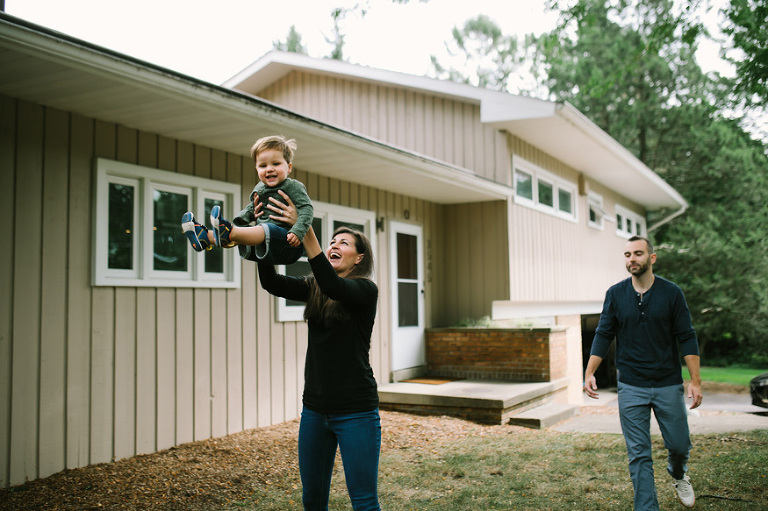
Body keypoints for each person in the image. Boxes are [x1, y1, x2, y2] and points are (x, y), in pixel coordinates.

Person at [256, 192, 381, 511]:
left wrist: (305, 228)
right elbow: (271, 283)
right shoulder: (315, 286)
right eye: (332, 241)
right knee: (312, 499)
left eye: (344, 243)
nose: (335, 245)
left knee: (364, 502)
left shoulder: (365, 291)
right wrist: (265, 233)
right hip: (314, 410)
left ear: (359, 258)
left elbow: (334, 287)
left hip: (356, 412)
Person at [584, 236, 702, 510]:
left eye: (638, 253)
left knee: (679, 445)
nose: (631, 259)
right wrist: (590, 371)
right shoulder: (615, 294)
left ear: (652, 257)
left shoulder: (672, 293)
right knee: (638, 453)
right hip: (631, 385)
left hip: (667, 383)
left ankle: (678, 472)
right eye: (627, 254)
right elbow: (603, 334)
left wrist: (695, 381)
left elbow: (686, 335)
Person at [181, 135, 313, 265]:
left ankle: (227, 231)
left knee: (264, 229)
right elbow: (251, 208)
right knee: (243, 234)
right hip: (266, 244)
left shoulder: (293, 186)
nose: (269, 169)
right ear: (256, 169)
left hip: (290, 243)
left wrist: (298, 231)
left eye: (276, 163)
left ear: (289, 167)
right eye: (263, 166)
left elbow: (307, 209)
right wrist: (240, 221)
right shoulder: (260, 188)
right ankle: (205, 237)